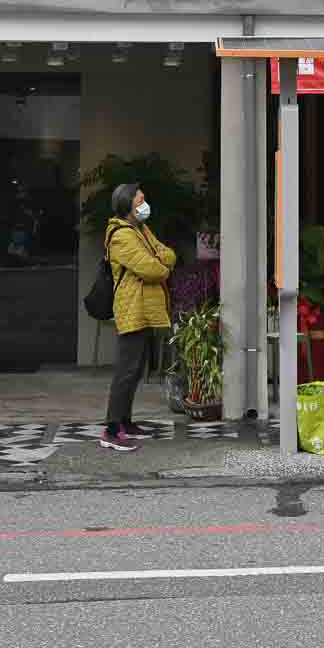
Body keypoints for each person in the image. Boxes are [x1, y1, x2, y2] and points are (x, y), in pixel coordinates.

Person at [101, 182, 176, 452]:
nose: (144, 205)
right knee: (127, 369)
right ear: (127, 205)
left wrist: (159, 259)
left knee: (136, 369)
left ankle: (126, 421)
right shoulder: (121, 235)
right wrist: (160, 264)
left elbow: (168, 254)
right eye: (140, 200)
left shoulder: (141, 229)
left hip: (146, 309)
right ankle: (111, 429)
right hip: (132, 308)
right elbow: (150, 269)